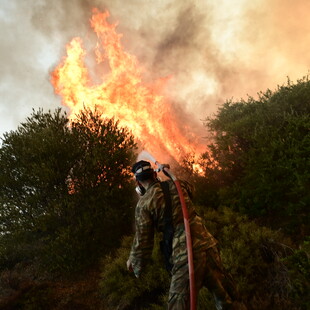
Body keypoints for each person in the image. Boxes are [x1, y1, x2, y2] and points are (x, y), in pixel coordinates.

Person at [127, 160, 247, 310]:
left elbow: (143, 240)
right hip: (208, 247)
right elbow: (192, 190)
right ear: (153, 174)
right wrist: (170, 176)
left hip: (186, 256)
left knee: (178, 305)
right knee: (229, 299)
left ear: (138, 183)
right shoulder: (178, 185)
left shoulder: (144, 204)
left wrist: (136, 264)